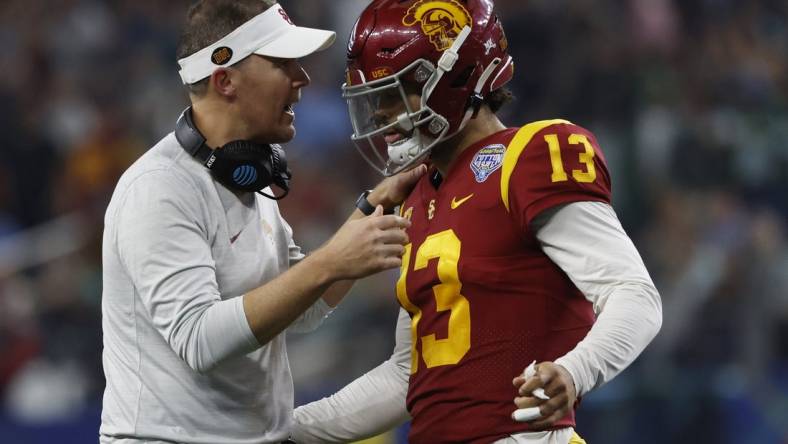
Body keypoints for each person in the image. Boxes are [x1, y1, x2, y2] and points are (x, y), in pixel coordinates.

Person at [291, 0, 662, 443]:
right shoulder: (416, 196)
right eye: (375, 97)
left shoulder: (533, 154)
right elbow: (410, 376)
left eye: (396, 92)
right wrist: (284, 432)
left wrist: (573, 372)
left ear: (458, 76)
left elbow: (634, 295)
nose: (380, 114)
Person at [99, 1, 425, 443]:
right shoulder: (159, 188)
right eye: (281, 63)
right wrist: (331, 261)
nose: (302, 79)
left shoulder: (249, 181)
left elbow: (303, 306)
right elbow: (199, 340)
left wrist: (370, 211)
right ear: (225, 79)